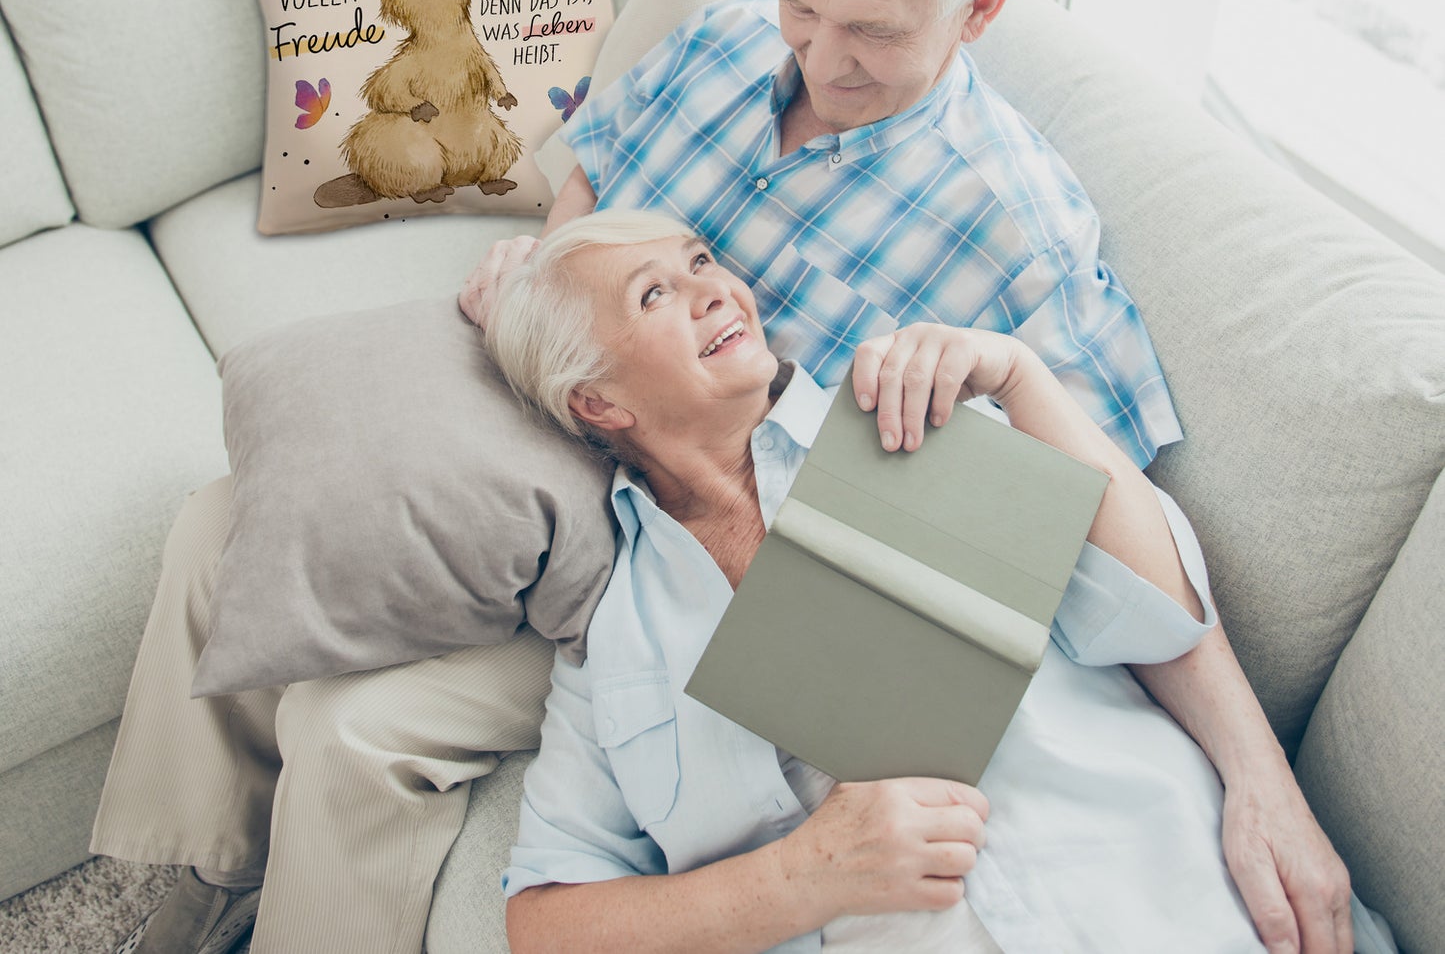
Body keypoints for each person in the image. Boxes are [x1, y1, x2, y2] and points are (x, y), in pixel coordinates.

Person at [94, 0, 1348, 954]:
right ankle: (193, 872)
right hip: (581, 395)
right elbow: (595, 176)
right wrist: (546, 273)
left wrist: (1260, 776)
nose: (818, 54)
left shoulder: (1016, 233)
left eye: (871, 29)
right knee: (229, 517)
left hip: (692, 521)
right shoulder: (726, 41)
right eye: (804, 4)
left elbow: (1103, 529)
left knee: (355, 727)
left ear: (976, 10)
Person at [486, 209, 1377, 954]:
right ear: (597, 402)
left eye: (700, 262)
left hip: (1173, 896)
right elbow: (545, 919)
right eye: (655, 294)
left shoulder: (908, 414)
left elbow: (1158, 614)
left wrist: (1020, 377)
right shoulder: (614, 641)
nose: (714, 288)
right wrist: (800, 876)